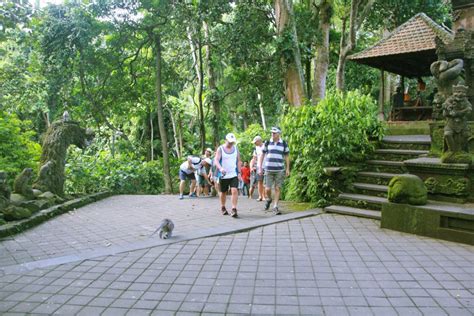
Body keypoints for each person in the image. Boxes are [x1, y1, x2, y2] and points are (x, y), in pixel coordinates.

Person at [258, 127, 290, 215]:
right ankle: (269, 199)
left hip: (280, 170)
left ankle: (275, 206)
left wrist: (287, 168)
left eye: (274, 133)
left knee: (277, 188)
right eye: (272, 133)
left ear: (279, 134)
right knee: (267, 189)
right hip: (268, 169)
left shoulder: (283, 143)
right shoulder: (267, 143)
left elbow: (287, 156)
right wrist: (260, 167)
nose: (272, 134)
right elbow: (262, 155)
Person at [214, 133, 242, 218]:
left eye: (232, 142)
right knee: (223, 192)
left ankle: (234, 209)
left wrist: (239, 173)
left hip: (233, 174)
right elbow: (216, 160)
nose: (231, 144)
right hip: (223, 175)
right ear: (226, 140)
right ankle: (223, 207)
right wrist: (221, 168)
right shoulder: (220, 149)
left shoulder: (236, 148)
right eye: (229, 142)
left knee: (234, 190)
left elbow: (238, 161)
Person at [249, 135, 266, 201]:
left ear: (259, 141)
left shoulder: (265, 146)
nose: (254, 143)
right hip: (259, 166)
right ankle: (260, 196)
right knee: (259, 182)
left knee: (265, 182)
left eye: (255, 142)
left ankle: (264, 196)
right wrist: (251, 167)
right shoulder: (256, 148)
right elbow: (254, 158)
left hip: (266, 166)